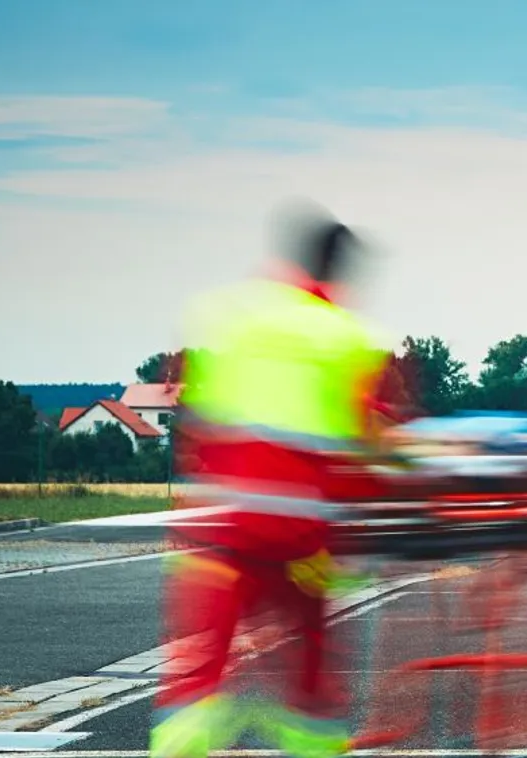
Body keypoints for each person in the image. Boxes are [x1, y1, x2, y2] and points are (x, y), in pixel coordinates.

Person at [150, 208, 395, 758]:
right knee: (308, 668)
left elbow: (196, 419)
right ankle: (310, 737)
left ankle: (181, 740)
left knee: (198, 673)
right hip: (298, 532)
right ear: (341, 271)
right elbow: (361, 448)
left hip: (223, 524)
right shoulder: (347, 338)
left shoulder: (224, 317)